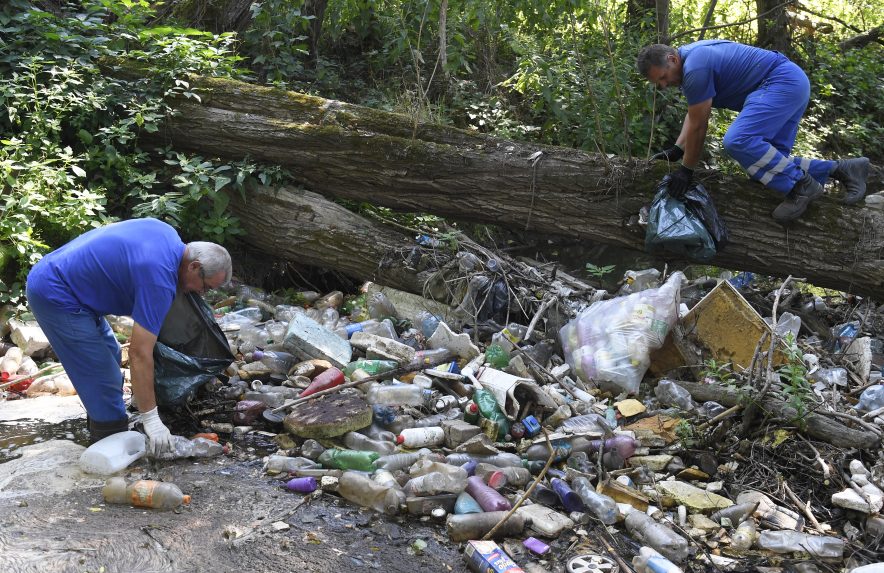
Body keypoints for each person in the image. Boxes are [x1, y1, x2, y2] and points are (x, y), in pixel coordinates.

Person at [25, 218, 232, 454]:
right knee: (101, 376)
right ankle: (109, 447)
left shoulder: (168, 235)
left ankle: (104, 425)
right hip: (56, 292)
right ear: (194, 266)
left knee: (111, 354)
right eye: (206, 287)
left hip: (70, 281)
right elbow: (139, 353)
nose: (202, 293)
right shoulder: (160, 278)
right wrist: (152, 419)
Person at [637, 40, 869, 223]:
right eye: (660, 83)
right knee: (768, 165)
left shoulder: (695, 68)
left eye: (663, 78)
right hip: (791, 82)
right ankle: (842, 169)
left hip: (780, 82)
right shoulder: (691, 56)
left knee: (738, 140)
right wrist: (678, 149)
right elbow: (694, 113)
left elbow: (700, 125)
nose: (665, 85)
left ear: (672, 58)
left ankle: (802, 187)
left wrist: (686, 170)